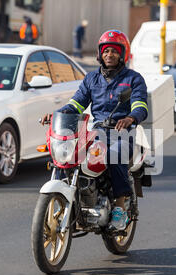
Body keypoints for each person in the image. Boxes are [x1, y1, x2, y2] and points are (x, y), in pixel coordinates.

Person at [42, 30, 148, 231]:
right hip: (98, 130)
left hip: (123, 132)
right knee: (72, 154)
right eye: (106, 51)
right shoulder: (91, 79)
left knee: (115, 155)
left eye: (114, 51)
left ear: (122, 54)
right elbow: (76, 104)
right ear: (100, 54)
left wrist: (130, 118)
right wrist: (56, 114)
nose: (110, 55)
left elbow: (140, 106)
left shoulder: (134, 79)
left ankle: (119, 207)